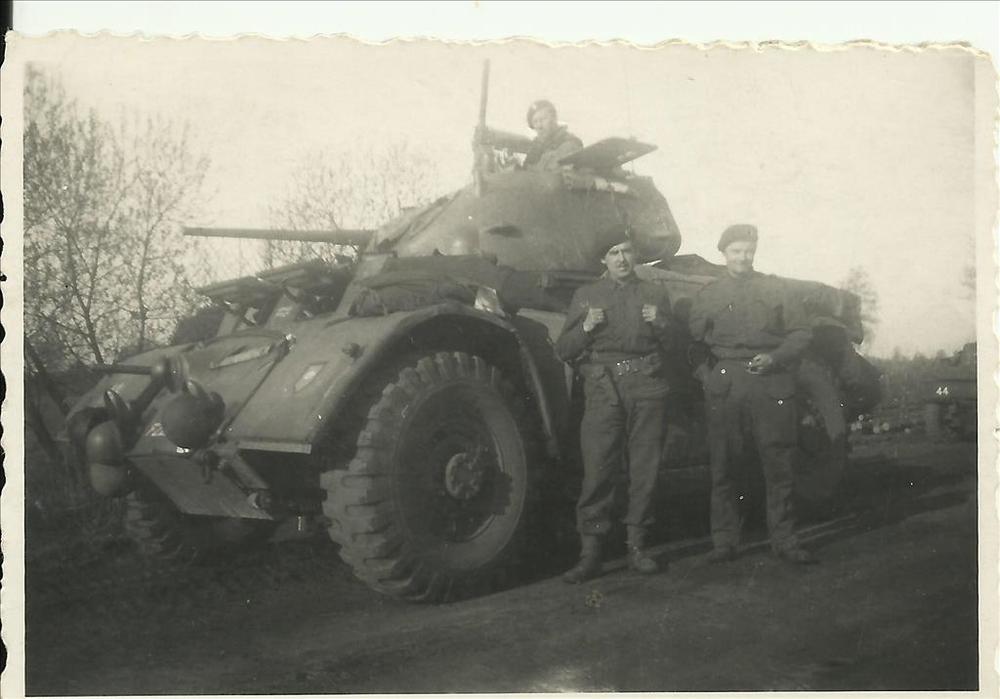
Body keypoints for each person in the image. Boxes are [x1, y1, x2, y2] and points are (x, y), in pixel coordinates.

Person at [688, 224, 818, 565]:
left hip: (770, 381)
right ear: (723, 253)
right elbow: (693, 343)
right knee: (724, 465)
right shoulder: (709, 294)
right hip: (727, 385)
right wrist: (708, 378)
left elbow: (801, 333)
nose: (743, 257)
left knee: (779, 465)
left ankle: (785, 540)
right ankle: (724, 541)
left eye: (748, 250)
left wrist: (776, 358)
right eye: (736, 251)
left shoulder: (776, 288)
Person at [555, 239, 674, 583]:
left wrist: (662, 323)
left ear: (635, 256)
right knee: (598, 469)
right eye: (613, 253)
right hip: (603, 389)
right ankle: (590, 554)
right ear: (603, 260)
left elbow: (677, 345)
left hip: (646, 385)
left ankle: (637, 547)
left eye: (626, 251)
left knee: (644, 469)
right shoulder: (586, 294)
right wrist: (586, 327)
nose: (621, 259)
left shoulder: (654, 293)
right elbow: (564, 349)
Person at [523, 99, 583, 172]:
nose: (539, 126)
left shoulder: (570, 143)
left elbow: (552, 172)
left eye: (543, 119)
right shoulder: (535, 148)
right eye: (535, 122)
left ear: (554, 118)